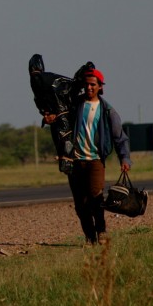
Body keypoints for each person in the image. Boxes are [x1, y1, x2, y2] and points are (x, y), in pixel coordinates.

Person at [45, 68, 131, 245]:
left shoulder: (107, 111)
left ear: (100, 87)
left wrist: (124, 158)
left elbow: (119, 137)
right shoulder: (75, 105)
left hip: (95, 161)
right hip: (75, 161)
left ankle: (101, 231)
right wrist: (49, 119)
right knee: (80, 204)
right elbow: (61, 118)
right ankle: (89, 237)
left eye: (93, 84)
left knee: (96, 198)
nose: (89, 87)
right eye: (87, 84)